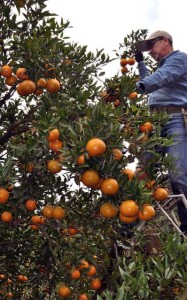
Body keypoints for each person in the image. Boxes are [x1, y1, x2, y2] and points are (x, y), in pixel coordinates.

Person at [135, 30, 187, 233]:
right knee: (142, 173)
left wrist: (139, 86)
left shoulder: (179, 59)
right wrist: (140, 63)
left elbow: (159, 79)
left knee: (178, 175)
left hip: (175, 120)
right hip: (155, 123)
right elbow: (152, 80)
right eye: (146, 49)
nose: (150, 52)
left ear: (165, 41)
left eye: (152, 46)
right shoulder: (160, 68)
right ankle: (127, 227)